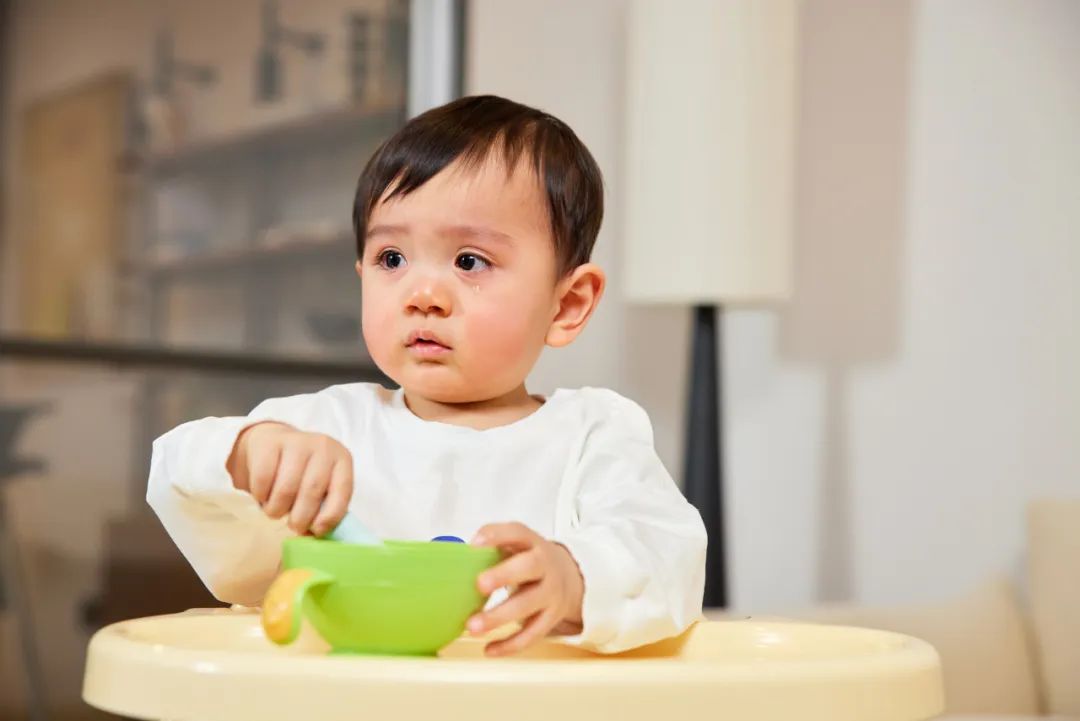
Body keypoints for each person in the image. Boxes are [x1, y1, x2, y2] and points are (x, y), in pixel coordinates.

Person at [148, 95, 706, 656]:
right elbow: (177, 476)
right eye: (392, 259)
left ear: (567, 305)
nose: (423, 296)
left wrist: (574, 578)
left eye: (469, 261)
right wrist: (247, 454)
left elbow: (668, 554)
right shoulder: (324, 428)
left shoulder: (592, 436)